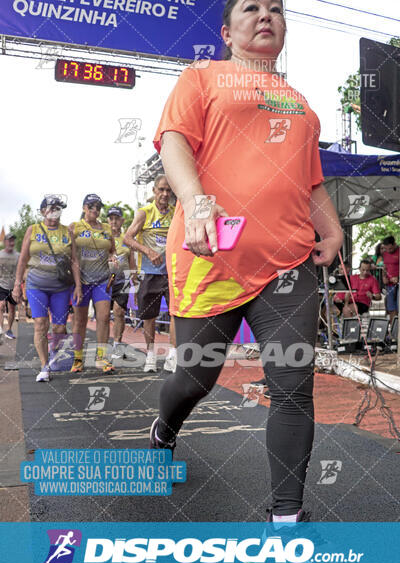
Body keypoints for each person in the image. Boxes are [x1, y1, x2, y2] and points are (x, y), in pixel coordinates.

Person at [149, 0, 343, 535]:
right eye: (251, 8)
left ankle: (287, 519)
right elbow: (174, 142)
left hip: (287, 263)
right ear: (226, 32)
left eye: (276, 10)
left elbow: (310, 182)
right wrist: (195, 201)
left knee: (292, 383)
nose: (266, 16)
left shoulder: (302, 105)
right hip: (210, 257)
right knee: (196, 375)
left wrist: (331, 226)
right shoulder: (202, 77)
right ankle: (164, 430)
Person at [12, 196, 81, 382]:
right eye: (51, 208)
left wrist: (78, 287)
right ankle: (44, 367)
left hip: (60, 288)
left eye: (58, 208)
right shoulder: (32, 230)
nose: (55, 211)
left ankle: (54, 350)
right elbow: (23, 259)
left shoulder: (67, 232)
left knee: (59, 327)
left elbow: (74, 261)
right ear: (43, 211)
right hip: (37, 286)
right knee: (40, 324)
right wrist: (17, 285)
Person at [124, 175, 177, 373]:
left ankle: (173, 356)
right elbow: (127, 238)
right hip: (149, 272)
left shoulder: (175, 213)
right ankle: (151, 356)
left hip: (171, 273)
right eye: (161, 190)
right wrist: (148, 251)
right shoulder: (144, 213)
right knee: (149, 317)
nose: (165, 194)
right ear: (154, 191)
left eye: (168, 191)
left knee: (175, 314)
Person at [69, 194, 118, 373]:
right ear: (83, 208)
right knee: (80, 320)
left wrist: (113, 258)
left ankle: (101, 357)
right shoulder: (74, 227)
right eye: (91, 206)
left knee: (104, 317)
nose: (95, 210)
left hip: (102, 280)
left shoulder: (106, 228)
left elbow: (112, 250)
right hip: (80, 281)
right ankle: (78, 359)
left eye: (98, 207)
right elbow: (69, 254)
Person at [106, 206, 138, 359]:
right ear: (107, 220)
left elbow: (132, 264)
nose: (114, 221)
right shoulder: (102, 237)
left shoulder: (127, 239)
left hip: (123, 279)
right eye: (111, 218)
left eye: (116, 218)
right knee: (103, 314)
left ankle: (117, 344)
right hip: (105, 280)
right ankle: (103, 345)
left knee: (119, 312)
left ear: (122, 221)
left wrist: (135, 286)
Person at [0, 233, 20, 343]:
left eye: (13, 241)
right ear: (5, 242)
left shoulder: (18, 256)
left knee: (12, 308)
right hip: (1, 284)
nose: (11, 243)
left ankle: (9, 330)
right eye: (9, 241)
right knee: (1, 305)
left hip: (13, 286)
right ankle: (0, 329)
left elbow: (21, 270)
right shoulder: (0, 255)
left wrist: (20, 286)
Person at [381, 235, 399, 325]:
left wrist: (398, 278)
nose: (388, 251)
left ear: (395, 244)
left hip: (398, 284)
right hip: (389, 285)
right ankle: (393, 330)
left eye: (390, 249)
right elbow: (384, 267)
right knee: (391, 308)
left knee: (398, 307)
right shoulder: (385, 253)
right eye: (386, 249)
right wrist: (384, 277)